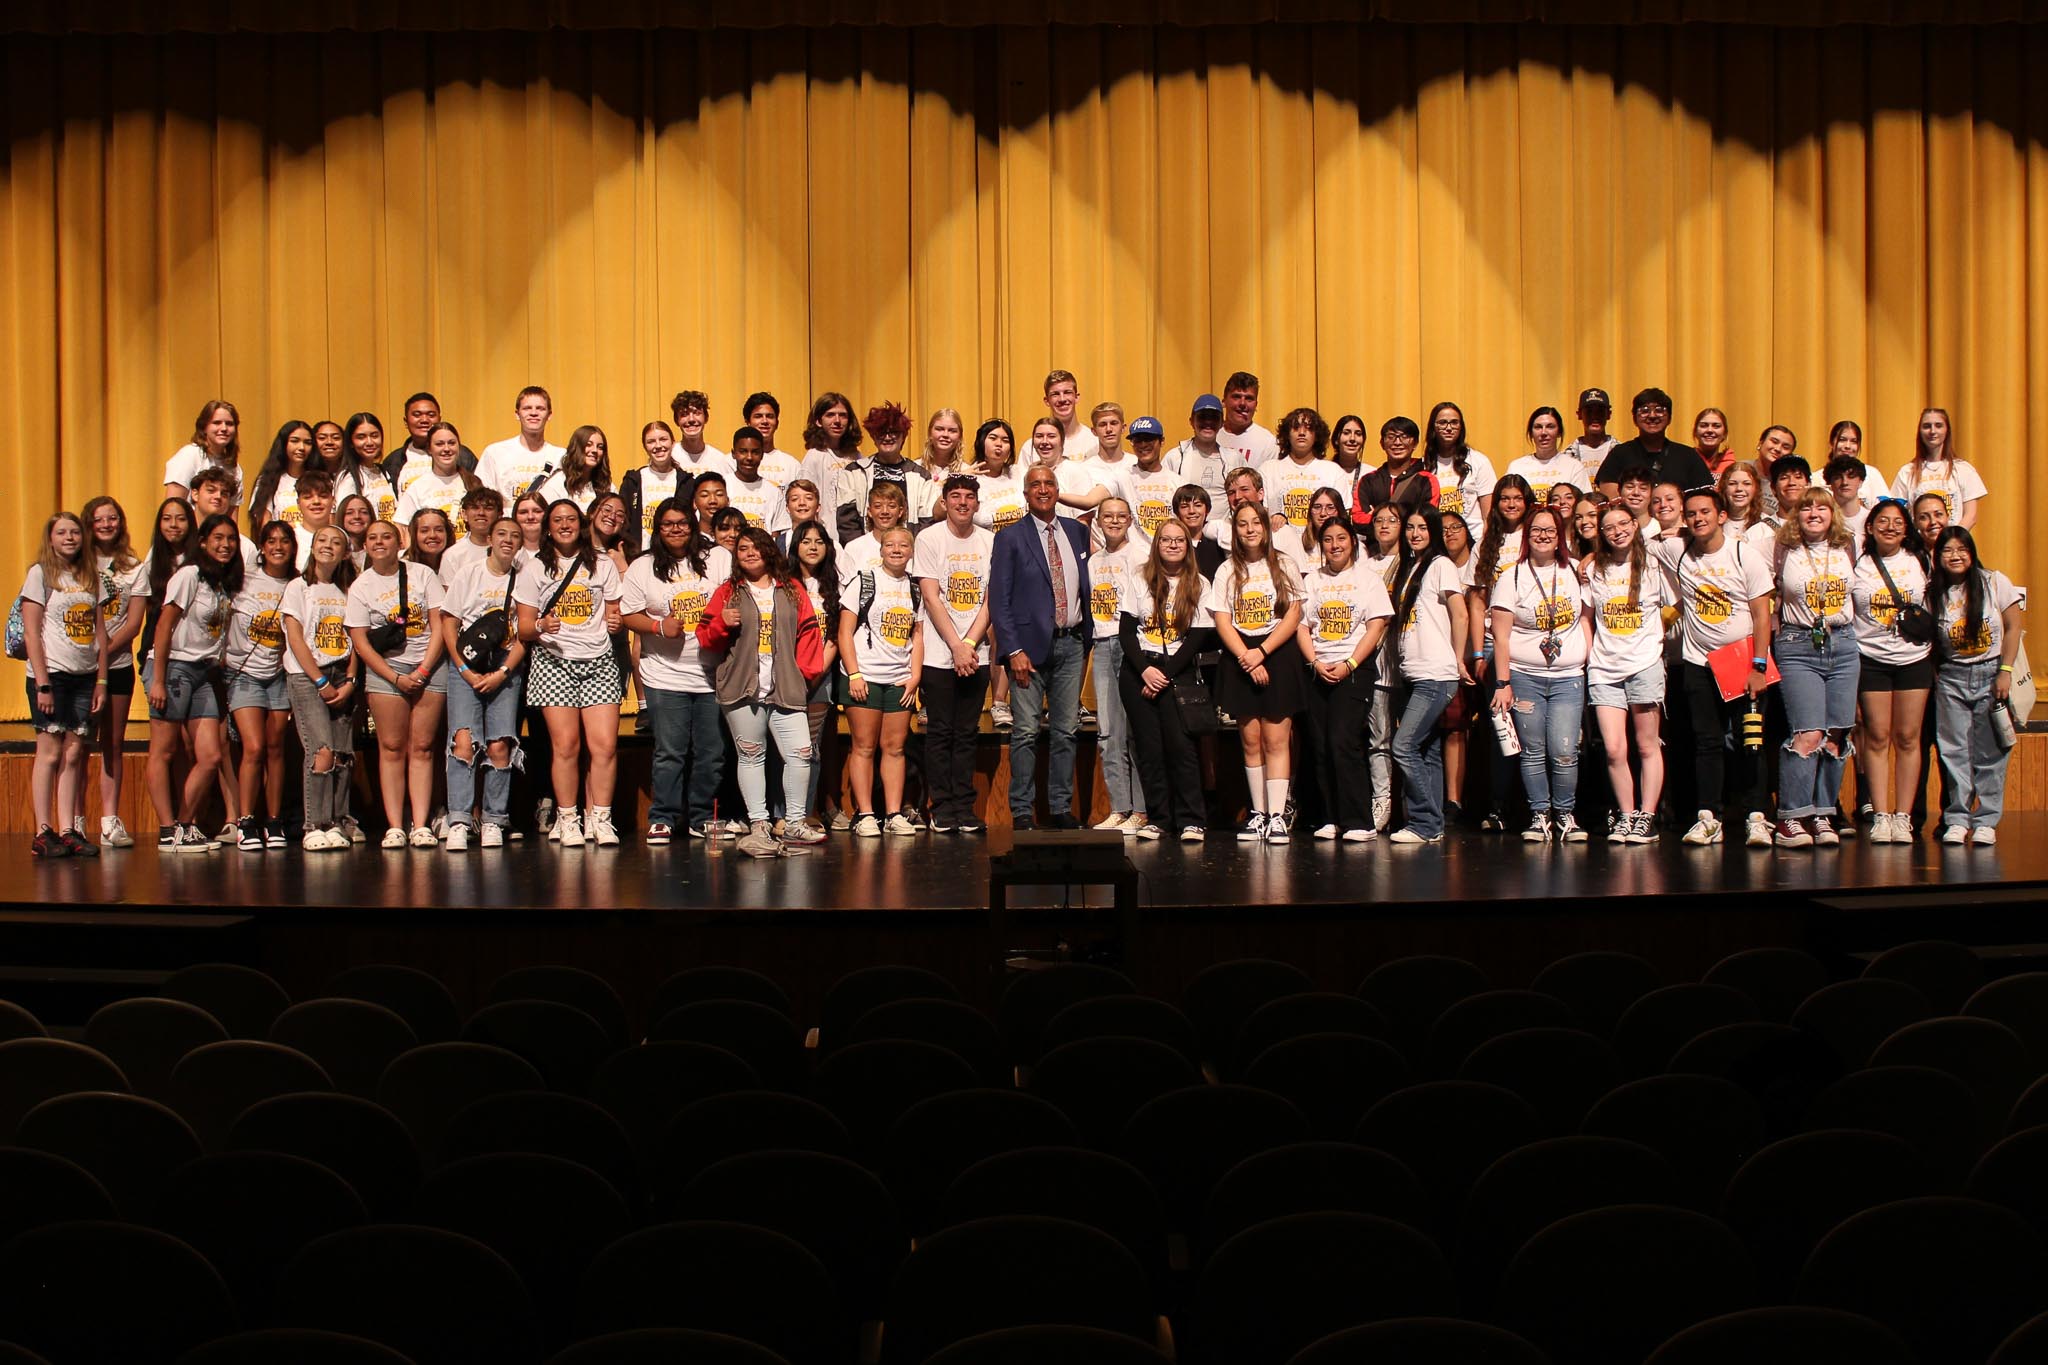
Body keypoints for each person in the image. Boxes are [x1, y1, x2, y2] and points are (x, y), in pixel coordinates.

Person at [1657, 488, 1775, 848]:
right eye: (1691, 514)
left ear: (1722, 515)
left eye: (1705, 512)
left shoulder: (1744, 555)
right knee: (1706, 743)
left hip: (1743, 661)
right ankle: (1708, 816)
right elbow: (1633, 543)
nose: (1698, 519)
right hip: (1698, 662)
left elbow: (1761, 615)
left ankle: (1757, 816)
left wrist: (1758, 665)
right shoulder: (1679, 552)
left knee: (1750, 741)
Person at [698, 528, 828, 856]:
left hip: (785, 686)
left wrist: (805, 675)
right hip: (742, 690)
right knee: (751, 755)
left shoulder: (791, 589)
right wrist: (721, 623)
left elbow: (810, 633)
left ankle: (795, 822)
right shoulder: (728, 591)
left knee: (801, 753)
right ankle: (759, 825)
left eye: (756, 547)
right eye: (742, 548)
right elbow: (705, 638)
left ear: (769, 550)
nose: (749, 553)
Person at [621, 497, 731, 844]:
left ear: (693, 522)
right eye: (668, 524)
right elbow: (628, 614)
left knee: (711, 752)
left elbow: (736, 597)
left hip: (712, 675)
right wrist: (656, 627)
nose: (676, 529)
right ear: (659, 529)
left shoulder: (718, 558)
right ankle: (663, 817)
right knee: (670, 751)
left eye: (682, 522)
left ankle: (701, 816)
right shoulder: (644, 566)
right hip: (664, 674)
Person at [516, 500, 625, 848]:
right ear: (548, 527)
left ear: (582, 524)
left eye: (571, 519)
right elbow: (523, 629)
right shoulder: (535, 569)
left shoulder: (603, 564)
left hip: (598, 661)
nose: (565, 525)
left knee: (605, 746)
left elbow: (614, 613)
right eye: (557, 520)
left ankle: (602, 818)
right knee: (565, 747)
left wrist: (615, 620)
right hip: (554, 663)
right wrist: (540, 624)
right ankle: (567, 818)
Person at [989, 465, 1090, 830]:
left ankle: (1060, 808)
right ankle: (1021, 812)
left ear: (1058, 489)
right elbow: (1000, 601)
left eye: (1049, 483)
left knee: (1065, 731)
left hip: (1071, 644)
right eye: (1036, 484)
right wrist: (1013, 651)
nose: (1043, 489)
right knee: (1026, 731)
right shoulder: (1010, 537)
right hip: (1027, 651)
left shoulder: (1078, 532)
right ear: (1025, 493)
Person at [1490, 507, 1593, 842]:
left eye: (1551, 530)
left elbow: (1587, 619)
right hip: (1524, 677)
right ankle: (1539, 816)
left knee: (1564, 750)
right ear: (1526, 534)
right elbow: (1501, 636)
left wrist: (1589, 661)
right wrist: (1502, 683)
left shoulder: (1575, 571)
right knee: (1533, 751)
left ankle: (1565, 815)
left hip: (1568, 678)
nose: (1544, 535)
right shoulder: (1512, 577)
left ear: (1560, 534)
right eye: (1537, 529)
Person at [1208, 500, 1307, 843]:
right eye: (1242, 524)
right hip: (1240, 656)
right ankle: (1258, 813)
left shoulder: (1284, 564)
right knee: (1250, 741)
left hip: (1277, 653)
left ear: (1266, 527)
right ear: (1234, 531)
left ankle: (1278, 815)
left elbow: (1293, 615)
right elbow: (1222, 619)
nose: (1249, 529)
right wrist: (1246, 657)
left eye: (1255, 523)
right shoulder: (1226, 571)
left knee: (1276, 739)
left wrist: (1262, 652)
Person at [1768, 490, 1859, 848]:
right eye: (1806, 507)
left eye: (1821, 506)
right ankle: (1792, 817)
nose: (1814, 512)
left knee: (1836, 735)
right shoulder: (1781, 548)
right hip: (1799, 644)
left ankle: (1823, 813)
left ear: (1832, 513)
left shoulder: (1846, 547)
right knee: (1808, 733)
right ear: (1797, 514)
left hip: (1844, 643)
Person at [347, 519, 446, 849]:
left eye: (386, 536)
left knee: (422, 747)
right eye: (372, 538)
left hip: (428, 667)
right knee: (390, 748)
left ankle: (420, 823)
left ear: (398, 541)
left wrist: (424, 668)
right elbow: (360, 642)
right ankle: (394, 825)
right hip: (386, 671)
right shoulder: (361, 585)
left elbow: (438, 624)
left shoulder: (422, 574)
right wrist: (395, 678)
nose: (379, 542)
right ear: (365, 545)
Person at [147, 513, 241, 852]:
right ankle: (166, 828)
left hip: (204, 671)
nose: (225, 544)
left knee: (212, 756)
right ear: (202, 542)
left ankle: (184, 825)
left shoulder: (222, 582)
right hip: (173, 668)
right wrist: (158, 679)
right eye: (217, 538)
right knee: (165, 750)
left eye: (230, 538)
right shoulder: (189, 575)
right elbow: (163, 626)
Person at [1297, 517, 1393, 842]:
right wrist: (1313, 662)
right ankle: (1330, 817)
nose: (1334, 545)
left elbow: (1376, 626)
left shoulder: (1368, 580)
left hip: (1354, 668)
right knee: (1320, 745)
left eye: (1341, 538)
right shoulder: (1311, 580)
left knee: (1343, 741)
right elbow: (1302, 626)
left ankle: (1359, 821)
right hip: (1318, 669)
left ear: (1353, 542)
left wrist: (1350, 663)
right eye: (1328, 539)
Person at [1928, 527, 2026, 845]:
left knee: (1991, 753)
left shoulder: (1994, 581)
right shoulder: (1934, 592)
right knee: (1953, 752)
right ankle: (1957, 818)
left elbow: (2013, 628)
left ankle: (1986, 820)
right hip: (1952, 678)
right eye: (1947, 550)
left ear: (1971, 551)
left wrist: (2005, 671)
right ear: (1938, 556)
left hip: (1991, 674)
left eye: (1961, 549)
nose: (1955, 556)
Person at [438, 515, 530, 852]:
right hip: (466, 664)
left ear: (521, 543)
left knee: (499, 745)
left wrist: (502, 673)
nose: (508, 540)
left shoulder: (524, 579)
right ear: (490, 538)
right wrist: (464, 669)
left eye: (515, 535)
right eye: (501, 533)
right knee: (463, 742)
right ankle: (460, 820)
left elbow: (525, 634)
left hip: (504, 668)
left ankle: (494, 819)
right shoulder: (469, 573)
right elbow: (449, 623)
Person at [1118, 519, 1213, 842]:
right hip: (1139, 671)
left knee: (1181, 748)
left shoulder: (1200, 583)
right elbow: (1127, 632)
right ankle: (1159, 819)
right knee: (1149, 749)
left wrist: (1164, 675)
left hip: (1177, 673)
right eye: (1166, 540)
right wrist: (1145, 671)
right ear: (1157, 545)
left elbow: (1197, 637)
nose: (1173, 545)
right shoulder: (1139, 579)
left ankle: (1192, 820)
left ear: (1187, 546)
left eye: (1179, 540)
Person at [21, 512, 108, 858]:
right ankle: (44, 831)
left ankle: (69, 829)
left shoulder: (90, 576)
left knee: (74, 753)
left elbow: (100, 633)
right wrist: (42, 683)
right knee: (51, 751)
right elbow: (31, 631)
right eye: (62, 532)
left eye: (74, 532)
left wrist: (101, 680)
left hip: (84, 675)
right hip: (52, 675)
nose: (70, 537)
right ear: (51, 537)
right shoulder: (40, 574)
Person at [1584, 502, 1670, 844]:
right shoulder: (1593, 569)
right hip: (1605, 669)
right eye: (1609, 527)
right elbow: (1587, 617)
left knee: (1647, 746)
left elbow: (1673, 605)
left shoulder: (1655, 564)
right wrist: (1591, 657)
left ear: (1636, 525)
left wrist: (1656, 639)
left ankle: (1646, 816)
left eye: (1623, 523)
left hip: (1644, 664)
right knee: (1614, 749)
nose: (1617, 530)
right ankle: (1626, 814)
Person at [915, 475, 995, 835]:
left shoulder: (990, 541)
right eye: (955, 496)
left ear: (977, 504)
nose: (963, 502)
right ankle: (941, 806)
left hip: (976, 653)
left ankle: (964, 806)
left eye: (969, 497)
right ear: (944, 502)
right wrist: (955, 645)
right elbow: (931, 596)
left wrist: (970, 644)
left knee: (966, 733)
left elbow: (991, 599)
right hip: (938, 653)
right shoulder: (929, 538)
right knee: (940, 732)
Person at [1387, 509, 1470, 845]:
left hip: (1435, 674)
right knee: (1426, 750)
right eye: (1410, 527)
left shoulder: (1440, 565)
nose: (1415, 533)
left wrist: (1458, 659)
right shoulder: (1410, 569)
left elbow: (1460, 612)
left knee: (1403, 746)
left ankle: (1424, 821)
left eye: (1422, 528)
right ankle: (1433, 824)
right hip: (1414, 672)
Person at [1852, 497, 1933, 844]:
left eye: (1898, 521)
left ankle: (1904, 817)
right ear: (1870, 527)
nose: (1890, 526)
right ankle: (1881, 815)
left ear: (1906, 528)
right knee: (1877, 737)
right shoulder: (1857, 565)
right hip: (1871, 659)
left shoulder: (1920, 560)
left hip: (1914, 659)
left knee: (1908, 738)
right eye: (1882, 521)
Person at [836, 525, 925, 836]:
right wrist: (855, 673)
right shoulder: (864, 581)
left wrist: (915, 677)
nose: (897, 549)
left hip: (899, 679)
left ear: (912, 551)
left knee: (896, 748)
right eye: (891, 544)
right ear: (881, 549)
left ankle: (894, 812)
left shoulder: (914, 588)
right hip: (866, 676)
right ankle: (865, 814)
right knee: (863, 746)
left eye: (903, 545)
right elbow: (844, 631)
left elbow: (918, 634)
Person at [282, 525, 359, 851]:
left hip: (342, 674)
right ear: (312, 547)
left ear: (344, 551)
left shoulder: (348, 589)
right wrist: (320, 681)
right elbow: (295, 637)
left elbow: (357, 636)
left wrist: (351, 679)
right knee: (321, 751)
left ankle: (338, 821)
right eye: (322, 540)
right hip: (308, 675)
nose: (328, 546)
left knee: (342, 755)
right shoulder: (298, 588)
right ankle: (315, 823)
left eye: (336, 542)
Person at [1464, 475, 1534, 831]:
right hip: (1493, 643)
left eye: (1517, 498)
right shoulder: (1485, 544)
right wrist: (1477, 651)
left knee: (1531, 727)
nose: (1509, 504)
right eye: (1504, 498)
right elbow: (1476, 604)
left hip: (1530, 641)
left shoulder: (1536, 534)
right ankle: (1498, 806)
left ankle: (1532, 806)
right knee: (1500, 728)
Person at [224, 521, 297, 851]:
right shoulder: (244, 578)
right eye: (271, 541)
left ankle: (274, 819)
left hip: (279, 673)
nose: (278, 546)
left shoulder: (298, 583)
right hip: (244, 672)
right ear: (262, 547)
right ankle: (245, 820)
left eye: (284, 541)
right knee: (252, 747)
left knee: (275, 747)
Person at [83, 495, 147, 849]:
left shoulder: (133, 567)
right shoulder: (76, 564)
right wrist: (85, 655)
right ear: (88, 525)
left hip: (117, 665)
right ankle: (73, 823)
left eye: (113, 519)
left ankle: (110, 820)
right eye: (99, 519)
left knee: (112, 743)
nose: (107, 525)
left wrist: (101, 654)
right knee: (76, 745)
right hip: (77, 669)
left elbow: (134, 623)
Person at [1084, 496, 1144, 832]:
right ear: (1099, 521)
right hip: (1102, 646)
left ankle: (1142, 810)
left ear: (1131, 520)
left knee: (1134, 732)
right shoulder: (1094, 562)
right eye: (1108, 516)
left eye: (1122, 515)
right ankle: (1120, 808)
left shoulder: (1139, 557)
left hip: (1131, 646)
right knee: (1108, 734)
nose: (1115, 521)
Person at [787, 520, 845, 833]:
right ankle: (780, 813)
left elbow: (835, 634)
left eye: (819, 541)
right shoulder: (783, 583)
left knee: (810, 747)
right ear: (795, 546)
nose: (812, 546)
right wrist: (794, 673)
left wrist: (815, 672)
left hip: (820, 676)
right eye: (806, 540)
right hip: (785, 675)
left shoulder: (834, 585)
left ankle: (807, 810)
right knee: (783, 747)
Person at [835, 403, 933, 545]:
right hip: (864, 556)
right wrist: (865, 550)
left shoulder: (921, 476)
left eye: (893, 432)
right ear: (873, 437)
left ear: (903, 436)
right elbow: (846, 521)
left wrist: (907, 550)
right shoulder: (853, 472)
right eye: (881, 432)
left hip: (907, 554)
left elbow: (926, 522)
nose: (887, 437)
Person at [1595, 387, 1712, 497]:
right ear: (1634, 418)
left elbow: (1705, 498)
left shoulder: (1688, 456)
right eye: (1644, 410)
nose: (1652, 415)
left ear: (1670, 418)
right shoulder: (1619, 454)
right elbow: (1609, 499)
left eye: (1659, 410)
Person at [1892, 407, 1986, 530]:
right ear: (1919, 431)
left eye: (1938, 425)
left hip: (1952, 545)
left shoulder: (1963, 469)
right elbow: (1898, 513)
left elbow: (1970, 516)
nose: (1932, 431)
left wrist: (1951, 540)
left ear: (1947, 430)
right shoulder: (1907, 472)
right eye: (1926, 426)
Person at [1263, 408, 1351, 532]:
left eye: (1309, 428)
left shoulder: (1333, 471)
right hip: (1279, 546)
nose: (1302, 433)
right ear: (1287, 434)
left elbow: (1343, 518)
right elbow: (1258, 514)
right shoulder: (1268, 469)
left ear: (1317, 435)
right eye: (1296, 427)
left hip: (1321, 547)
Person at [475, 386, 565, 503]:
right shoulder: (495, 453)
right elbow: (482, 498)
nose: (533, 413)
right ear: (517, 414)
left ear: (549, 415)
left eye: (540, 408)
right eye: (527, 408)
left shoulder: (561, 456)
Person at [1424, 401, 1497, 542]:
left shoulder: (1478, 461)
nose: (1449, 428)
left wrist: (1485, 546)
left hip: (1473, 541)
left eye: (1454, 423)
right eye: (1443, 423)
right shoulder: (1424, 464)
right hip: (1436, 543)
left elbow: (1489, 515)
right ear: (1433, 427)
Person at [383, 391, 478, 496]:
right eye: (417, 415)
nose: (424, 420)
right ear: (406, 421)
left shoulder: (463, 455)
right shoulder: (393, 461)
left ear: (439, 419)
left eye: (431, 415)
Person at [394, 421, 479, 532]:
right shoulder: (418, 487)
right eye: (439, 444)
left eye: (452, 443)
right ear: (429, 449)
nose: (446, 449)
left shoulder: (474, 483)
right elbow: (402, 527)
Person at [797, 391, 859, 532]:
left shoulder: (856, 456)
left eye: (842, 415)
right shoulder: (814, 457)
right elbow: (806, 500)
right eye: (830, 415)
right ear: (819, 421)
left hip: (853, 530)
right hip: (826, 533)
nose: (837, 421)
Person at [1353, 417, 1434, 523]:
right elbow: (1358, 519)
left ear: (1415, 443)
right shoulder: (1368, 481)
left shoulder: (1426, 480)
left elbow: (1428, 519)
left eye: (1404, 437)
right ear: (1382, 443)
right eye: (1391, 437)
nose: (1397, 442)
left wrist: (1377, 518)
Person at [163, 399, 244, 506]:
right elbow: (172, 508)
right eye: (217, 423)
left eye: (229, 424)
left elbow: (231, 520)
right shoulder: (189, 455)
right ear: (204, 427)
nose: (224, 428)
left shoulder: (235, 469)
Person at [1169, 394, 1232, 522]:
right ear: (1191, 421)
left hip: (1222, 537)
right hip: (1184, 535)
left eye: (1213, 418)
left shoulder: (1234, 459)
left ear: (1222, 423)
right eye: (1202, 417)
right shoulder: (1174, 457)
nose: (1208, 422)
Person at [1506, 406, 1585, 507]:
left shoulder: (1574, 467)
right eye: (1538, 427)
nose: (1543, 432)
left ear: (1559, 432)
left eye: (1550, 426)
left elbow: (1583, 506)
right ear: (1531, 433)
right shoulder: (1516, 467)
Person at [247, 420, 316, 531]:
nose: (302, 447)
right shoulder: (268, 480)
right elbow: (263, 521)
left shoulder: (320, 480)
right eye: (295, 441)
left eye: (308, 442)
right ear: (283, 444)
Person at [335, 413, 400, 523]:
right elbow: (347, 521)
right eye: (361, 437)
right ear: (351, 442)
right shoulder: (348, 478)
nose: (369, 442)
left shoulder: (382, 471)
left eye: (374, 436)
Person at [533, 425, 612, 513]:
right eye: (588, 445)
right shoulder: (557, 482)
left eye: (600, 447)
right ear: (577, 447)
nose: (595, 450)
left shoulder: (607, 485)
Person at [441, 485, 506, 582]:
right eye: (475, 508)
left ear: (500, 515)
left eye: (488, 508)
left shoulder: (512, 551)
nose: (481, 513)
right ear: (464, 514)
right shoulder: (452, 555)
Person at [724, 427, 785, 530]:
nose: (749, 458)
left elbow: (776, 533)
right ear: (733, 454)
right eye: (743, 451)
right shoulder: (723, 486)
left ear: (762, 455)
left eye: (755, 452)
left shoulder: (774, 491)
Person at [1218, 370, 1279, 466]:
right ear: (1224, 401)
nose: (1242, 403)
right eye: (1236, 397)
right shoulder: (1210, 436)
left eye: (1249, 398)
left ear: (1256, 404)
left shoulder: (1268, 443)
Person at [743, 392, 804, 486]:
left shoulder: (791, 465)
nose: (764, 421)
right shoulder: (732, 462)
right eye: (758, 416)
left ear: (777, 423)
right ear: (748, 422)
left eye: (770, 416)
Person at [1825, 420, 1888, 507]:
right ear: (1832, 442)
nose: (1847, 446)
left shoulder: (1872, 474)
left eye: (1853, 441)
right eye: (1842, 440)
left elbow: (1885, 506)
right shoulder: (1817, 477)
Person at [1043, 370, 1100, 463]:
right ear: (1047, 401)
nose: (1062, 399)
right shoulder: (1034, 447)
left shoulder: (1095, 442)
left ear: (1076, 397)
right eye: (1055, 394)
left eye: (1067, 392)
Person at [673, 390, 732, 477]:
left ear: (706, 418)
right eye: (684, 414)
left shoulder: (719, 460)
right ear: (676, 420)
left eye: (697, 413)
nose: (691, 419)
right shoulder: (669, 457)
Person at [1751, 425, 1803, 520]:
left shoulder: (1790, 483)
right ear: (1761, 443)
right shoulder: (1740, 469)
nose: (1778, 449)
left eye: (1785, 447)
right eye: (1774, 442)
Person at [1562, 388, 1615, 474]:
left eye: (1600, 412)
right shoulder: (1566, 456)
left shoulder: (1621, 453)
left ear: (1609, 414)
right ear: (1579, 415)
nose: (1595, 417)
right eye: (1589, 412)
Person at [921, 408, 969, 479]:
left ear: (960, 436)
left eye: (952, 431)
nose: (945, 435)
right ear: (929, 433)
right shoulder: (914, 469)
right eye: (939, 429)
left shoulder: (967, 472)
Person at [1719, 463, 1763, 536]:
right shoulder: (1713, 523)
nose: (1739, 488)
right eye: (1732, 483)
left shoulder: (1767, 525)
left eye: (1746, 484)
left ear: (1756, 488)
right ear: (1724, 488)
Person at [1694, 407, 1737, 481]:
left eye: (1716, 426)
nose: (1710, 430)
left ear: (1725, 433)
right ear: (1695, 432)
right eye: (1704, 425)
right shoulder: (1685, 461)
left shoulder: (1732, 467)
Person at [1330, 414, 1371, 479]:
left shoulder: (1370, 474)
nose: (1352, 438)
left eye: (1358, 434)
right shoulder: (1325, 471)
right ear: (1336, 439)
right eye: (1346, 433)